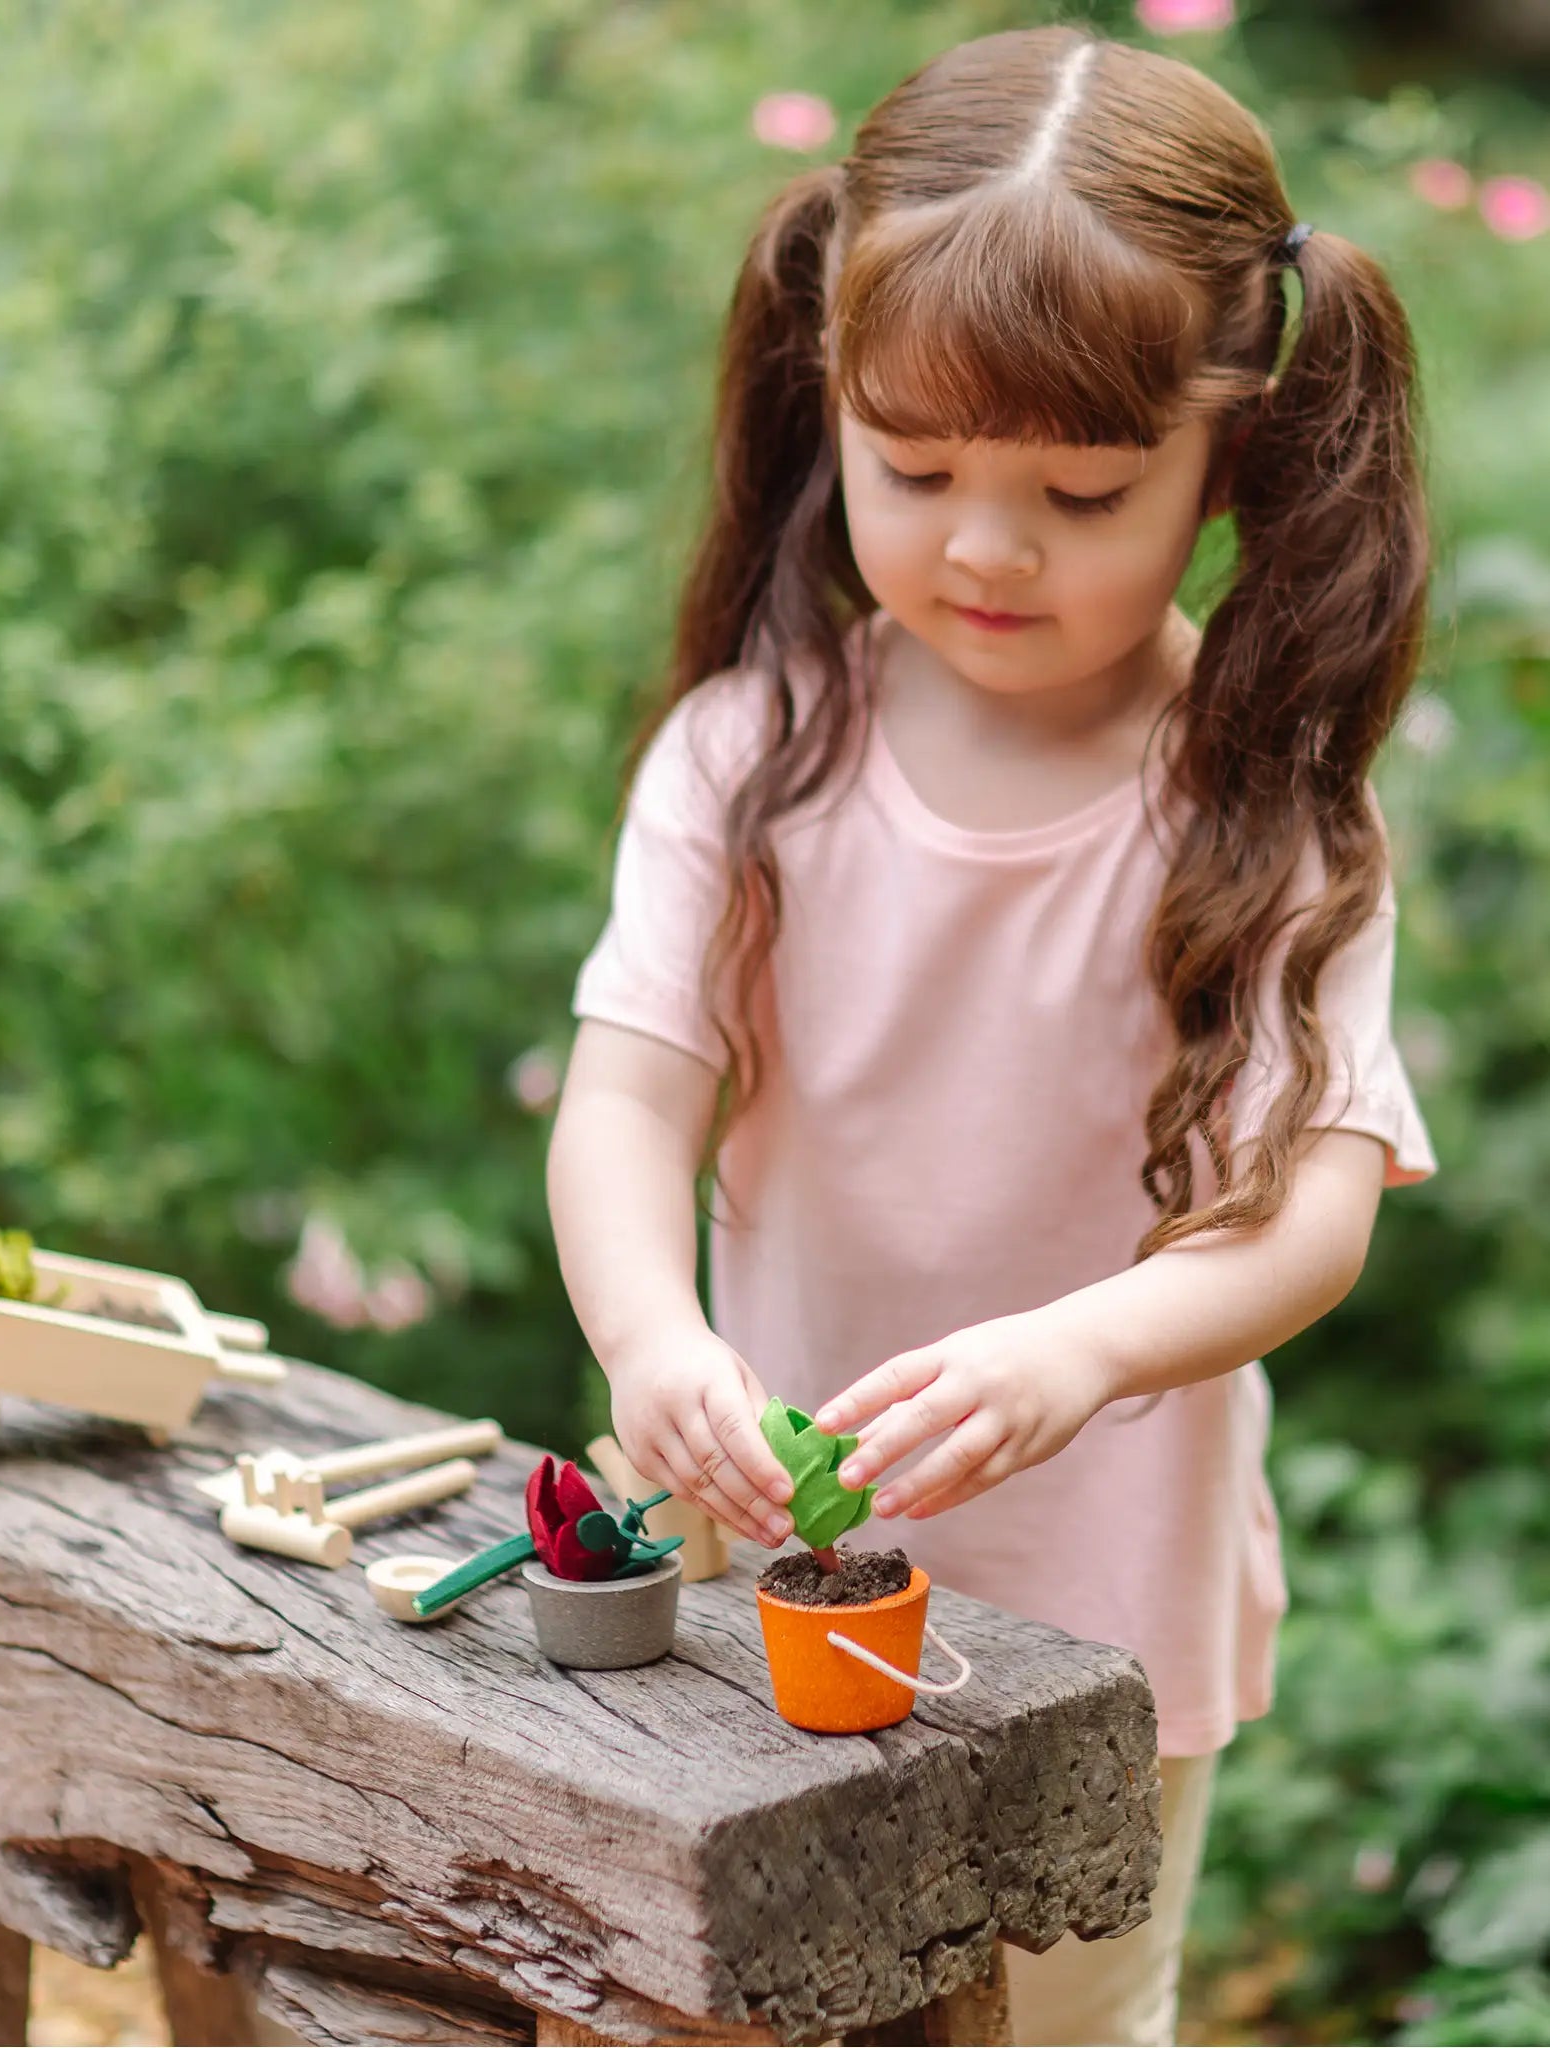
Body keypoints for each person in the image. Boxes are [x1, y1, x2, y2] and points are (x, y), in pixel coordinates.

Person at [546, 24, 1437, 2046]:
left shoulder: (1267, 809)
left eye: (1080, 490)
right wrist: (651, 1341)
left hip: (1105, 1615)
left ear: (1234, 460)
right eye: (916, 468)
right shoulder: (751, 753)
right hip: (753, 1584)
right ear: (827, 407)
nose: (984, 546)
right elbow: (624, 1102)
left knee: (1058, 2018)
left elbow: (1309, 1220)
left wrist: (1080, 1353)